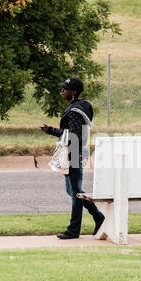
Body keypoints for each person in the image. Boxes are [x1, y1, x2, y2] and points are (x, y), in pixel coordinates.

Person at [41, 77, 105, 239]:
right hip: (72, 152)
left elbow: (74, 135)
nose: (62, 90)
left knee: (75, 192)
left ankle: (74, 229)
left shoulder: (76, 111)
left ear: (74, 92)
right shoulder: (75, 107)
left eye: (65, 88)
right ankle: (99, 218)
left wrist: (52, 131)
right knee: (73, 191)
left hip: (74, 153)